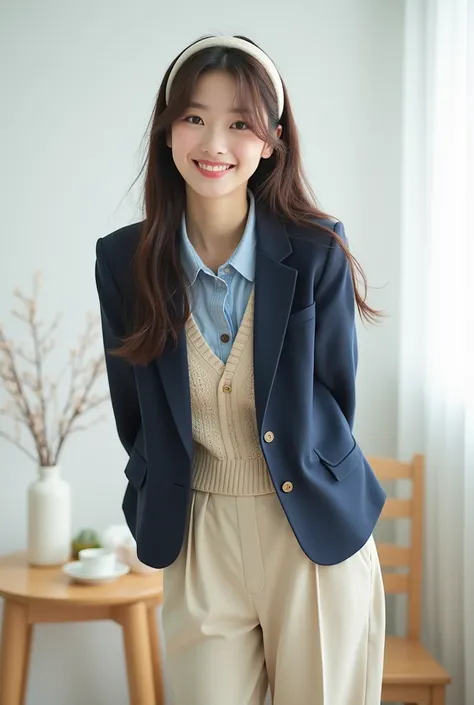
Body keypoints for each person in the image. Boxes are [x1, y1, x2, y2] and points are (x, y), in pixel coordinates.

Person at [95, 34, 387, 705]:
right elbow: (134, 412)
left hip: (311, 533)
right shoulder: (123, 262)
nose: (214, 143)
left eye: (239, 123)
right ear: (168, 133)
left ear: (272, 139)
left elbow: (334, 400)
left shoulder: (318, 253)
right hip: (198, 535)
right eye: (194, 118)